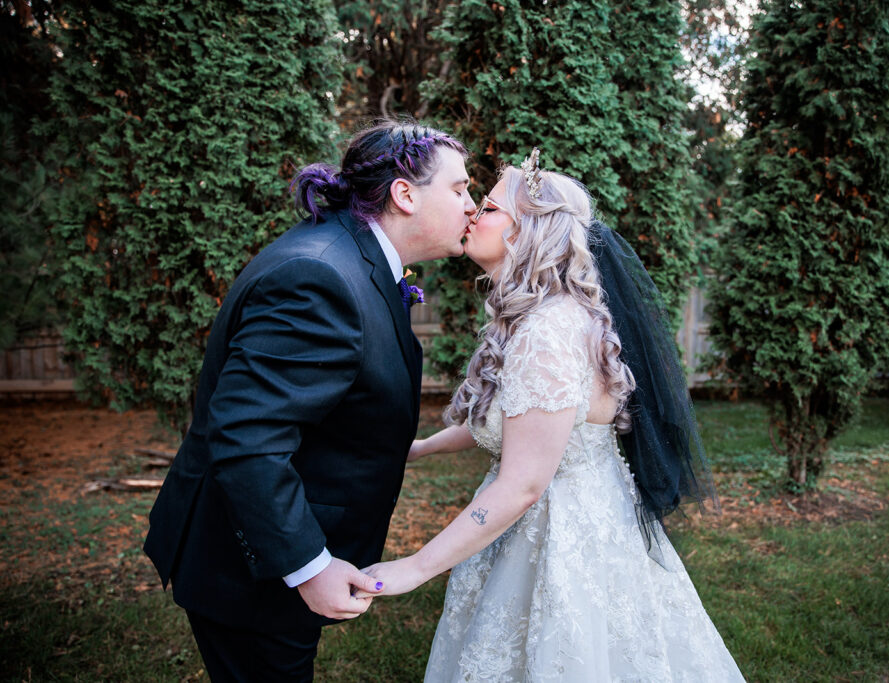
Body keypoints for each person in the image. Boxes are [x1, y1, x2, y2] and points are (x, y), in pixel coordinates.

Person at [362, 150, 745, 681]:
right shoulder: (542, 316)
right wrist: (424, 447)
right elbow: (518, 421)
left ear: (529, 232)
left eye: (490, 207)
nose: (473, 213)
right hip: (550, 523)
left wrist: (414, 567)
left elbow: (522, 484)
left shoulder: (548, 332)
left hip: (563, 541)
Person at [143, 121, 475, 682]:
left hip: (266, 561)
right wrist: (306, 565)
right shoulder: (320, 276)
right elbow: (248, 437)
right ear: (404, 193)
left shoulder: (352, 257)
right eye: (461, 188)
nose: (472, 204)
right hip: (250, 568)